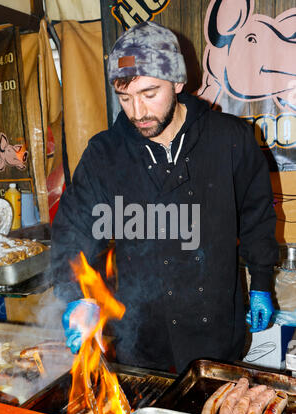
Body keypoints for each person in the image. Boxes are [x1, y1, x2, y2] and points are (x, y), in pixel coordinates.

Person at [51, 21, 278, 373]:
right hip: (138, 339)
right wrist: (73, 295)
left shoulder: (230, 139)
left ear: (178, 82)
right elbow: (73, 231)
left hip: (216, 334)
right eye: (125, 98)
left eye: (149, 93)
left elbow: (257, 216)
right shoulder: (104, 154)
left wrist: (261, 281)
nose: (137, 112)